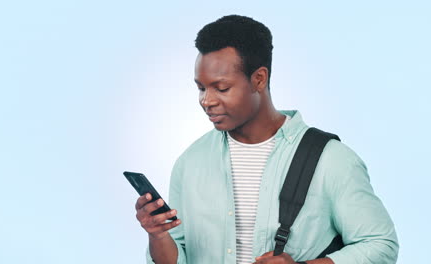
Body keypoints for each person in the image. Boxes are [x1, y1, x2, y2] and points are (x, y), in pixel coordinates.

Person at [134, 15, 399, 264]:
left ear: (259, 79)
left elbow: (381, 244)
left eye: (221, 88)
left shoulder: (331, 159)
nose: (207, 101)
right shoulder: (190, 162)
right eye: (201, 88)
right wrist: (157, 235)